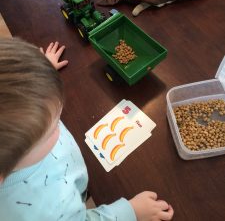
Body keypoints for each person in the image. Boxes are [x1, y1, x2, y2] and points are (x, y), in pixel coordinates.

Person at [0, 37, 174, 221]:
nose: (59, 122)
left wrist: (38, 77)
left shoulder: (15, 132)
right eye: (53, 126)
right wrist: (130, 212)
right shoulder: (43, 212)